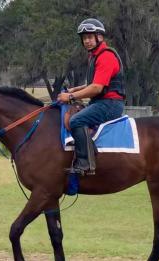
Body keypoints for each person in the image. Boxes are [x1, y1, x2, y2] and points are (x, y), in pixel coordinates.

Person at [57, 18, 126, 175]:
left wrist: (70, 96)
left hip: (110, 103)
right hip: (102, 102)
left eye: (89, 37)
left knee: (77, 120)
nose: (87, 41)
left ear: (99, 37)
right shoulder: (94, 57)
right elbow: (93, 83)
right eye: (84, 38)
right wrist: (74, 89)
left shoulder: (106, 57)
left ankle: (85, 163)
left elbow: (96, 88)